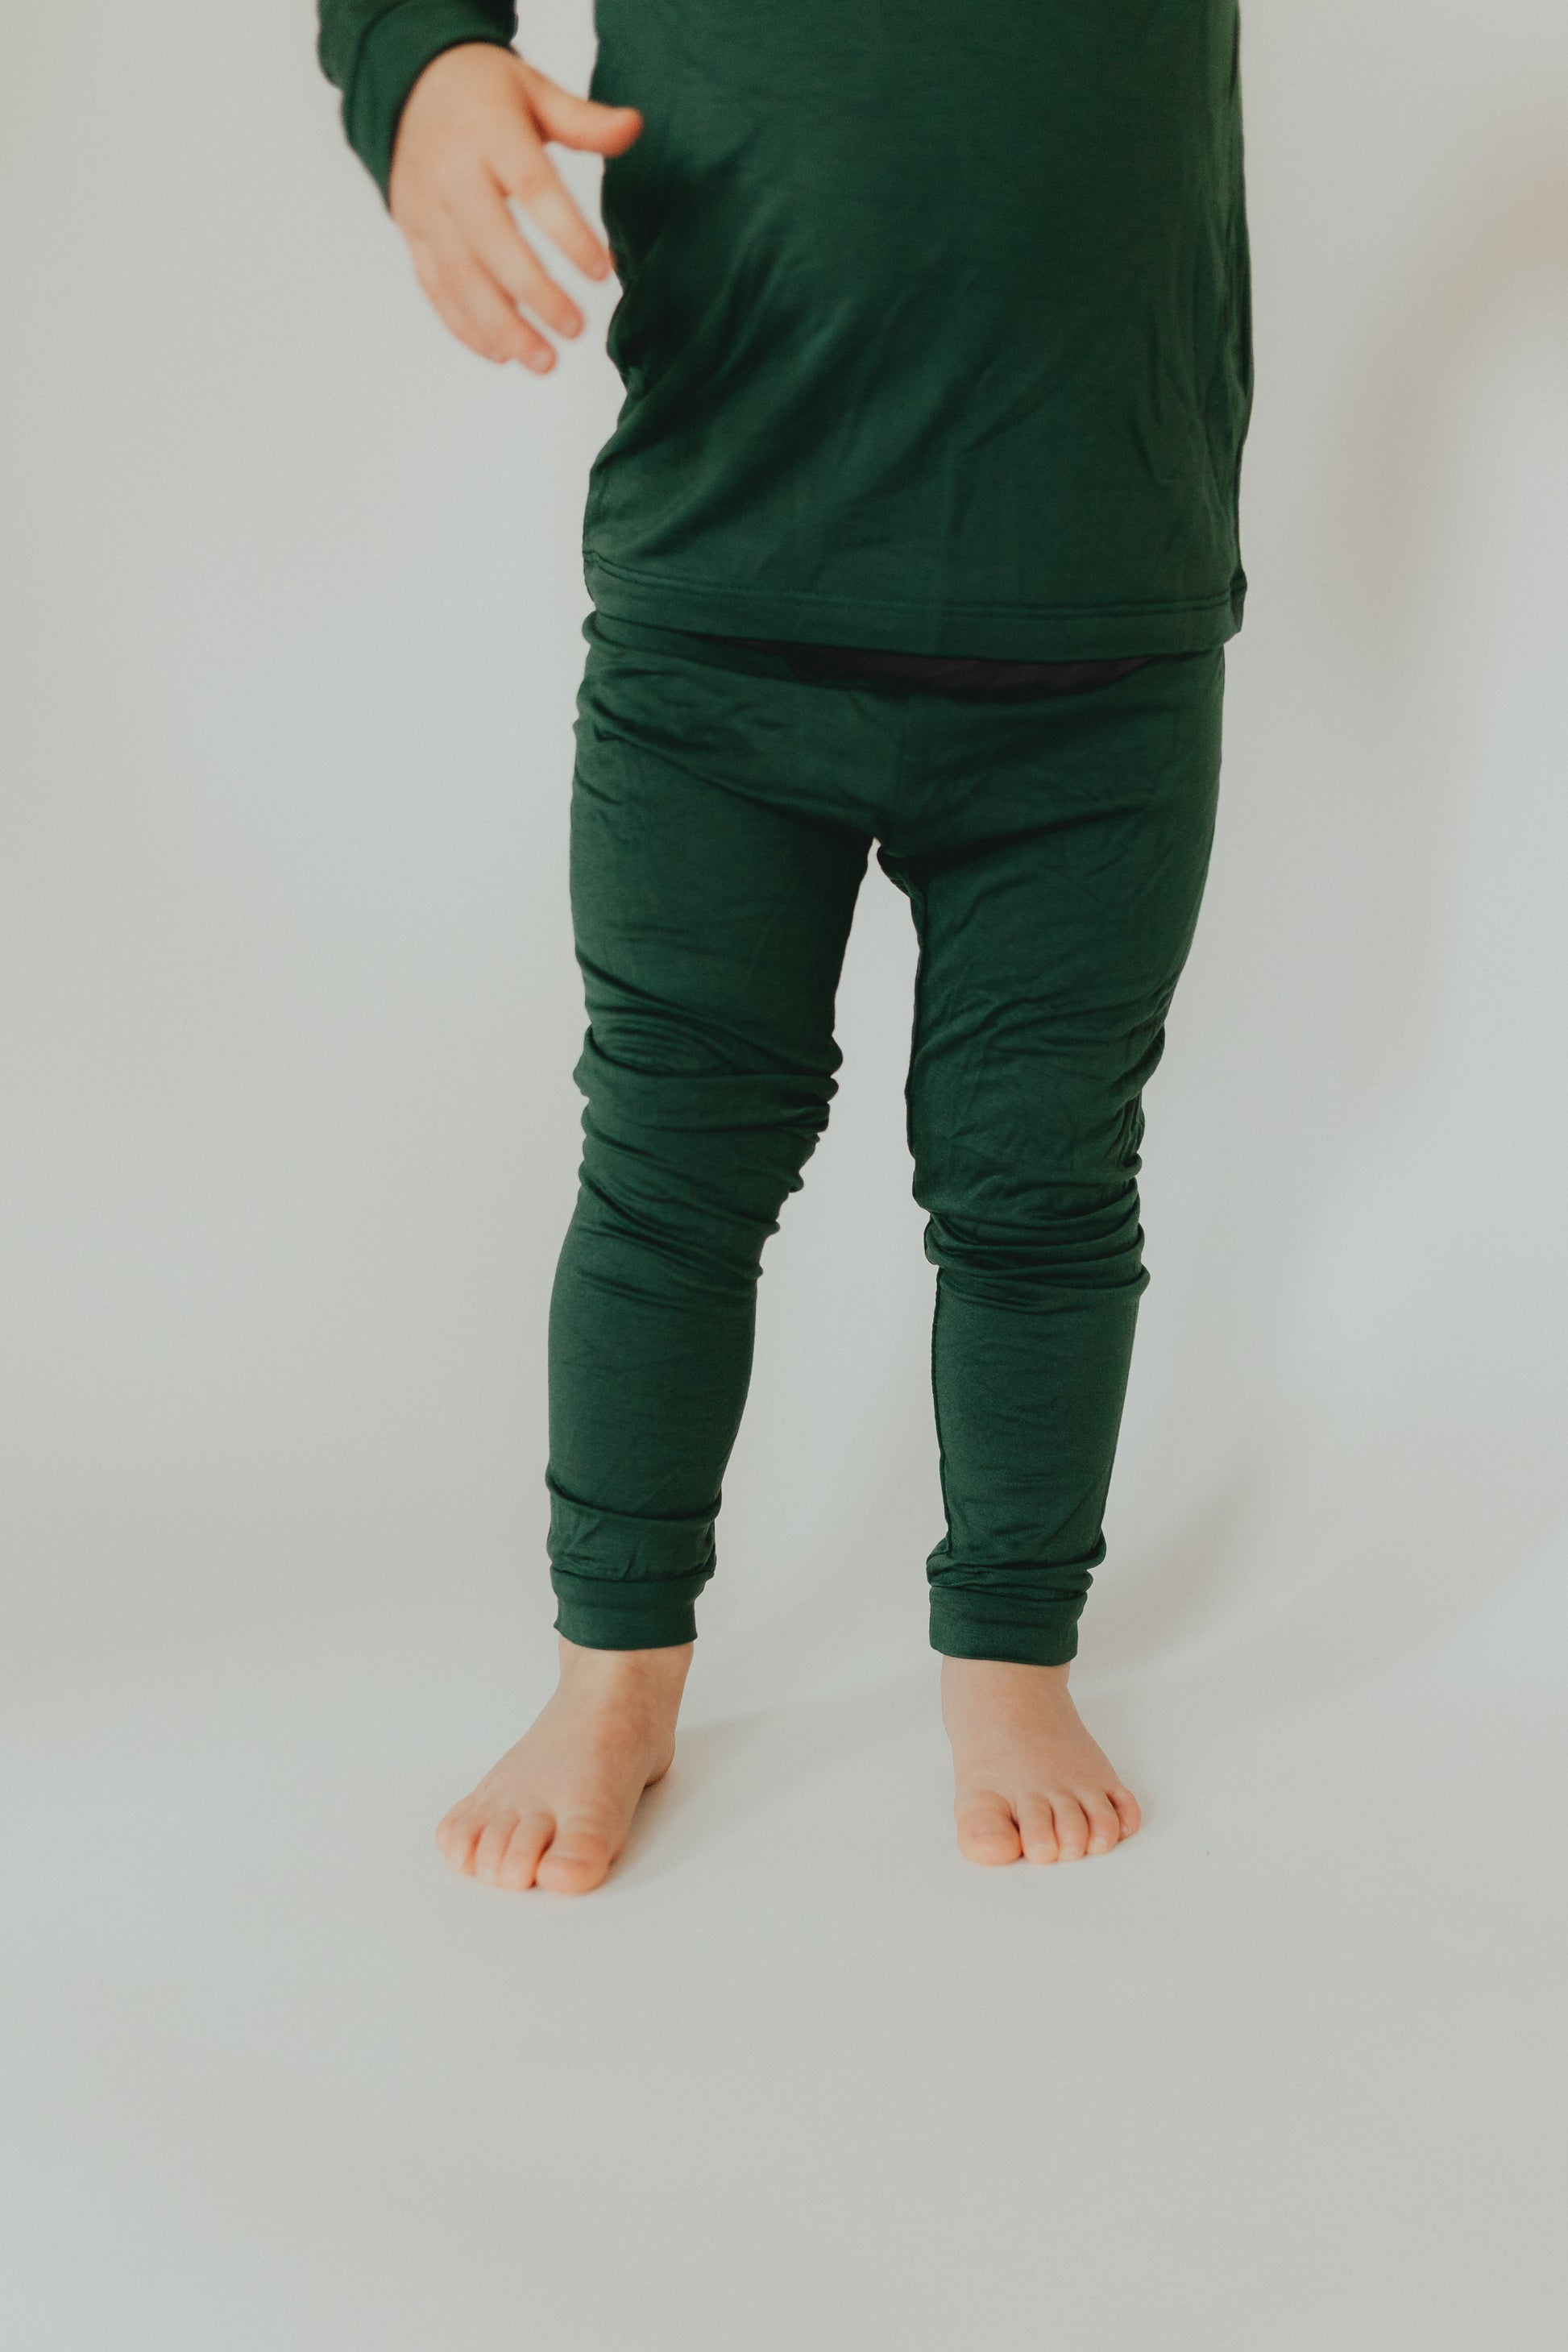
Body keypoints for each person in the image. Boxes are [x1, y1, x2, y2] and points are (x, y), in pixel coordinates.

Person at [317, 0, 1253, 1890]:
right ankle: (614, 1667)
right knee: (671, 1163)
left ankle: (1012, 1647)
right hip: (725, 604)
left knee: (1042, 1173)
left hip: (1096, 622)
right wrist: (419, 62)